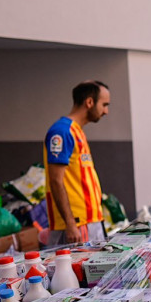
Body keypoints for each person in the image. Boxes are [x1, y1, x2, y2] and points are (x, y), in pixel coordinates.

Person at [44, 81, 110, 247]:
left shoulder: (77, 131)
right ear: (89, 102)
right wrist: (70, 224)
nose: (106, 111)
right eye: (104, 105)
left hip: (89, 222)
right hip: (78, 225)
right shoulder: (62, 132)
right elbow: (56, 180)